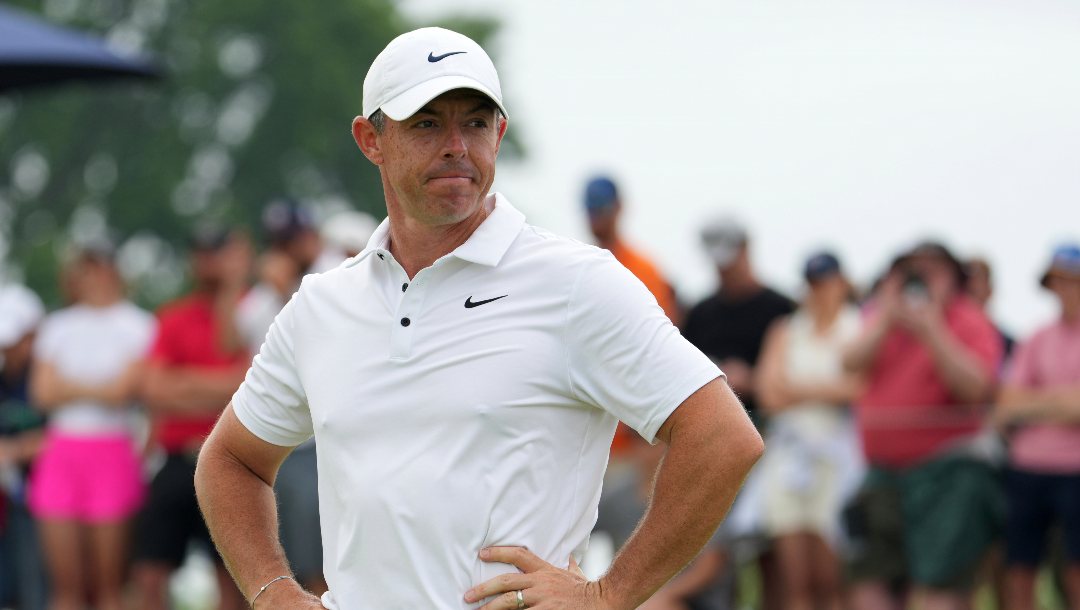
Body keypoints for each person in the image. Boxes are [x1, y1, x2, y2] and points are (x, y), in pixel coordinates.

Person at [194, 26, 763, 609]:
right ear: (371, 140)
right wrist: (272, 591)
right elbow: (230, 460)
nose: (456, 146)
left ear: (500, 132)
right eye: (426, 123)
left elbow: (722, 437)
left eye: (475, 122)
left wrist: (608, 595)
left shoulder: (576, 283)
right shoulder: (321, 306)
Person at [843, 241, 1003, 610]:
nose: (919, 278)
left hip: (950, 473)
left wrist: (932, 329)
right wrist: (887, 315)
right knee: (870, 579)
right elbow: (850, 362)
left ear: (954, 279)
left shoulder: (968, 319)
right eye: (910, 269)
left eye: (933, 270)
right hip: (882, 475)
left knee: (940, 585)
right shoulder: (878, 317)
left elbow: (976, 388)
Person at [26, 244, 154, 610]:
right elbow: (42, 392)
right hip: (62, 450)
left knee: (109, 587)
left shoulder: (138, 324)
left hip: (112, 450)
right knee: (66, 588)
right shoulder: (57, 325)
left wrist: (70, 386)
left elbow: (123, 393)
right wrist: (101, 387)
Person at [131, 228, 251, 610]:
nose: (209, 261)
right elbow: (152, 389)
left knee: (231, 581)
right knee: (149, 575)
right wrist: (225, 387)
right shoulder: (174, 316)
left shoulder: (257, 308)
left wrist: (183, 383)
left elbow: (251, 384)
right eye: (202, 252)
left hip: (234, 459)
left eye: (218, 251)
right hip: (178, 459)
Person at [682, 216, 795, 610]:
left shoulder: (780, 307)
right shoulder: (700, 313)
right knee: (719, 553)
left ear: (747, 249)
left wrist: (755, 378)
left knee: (774, 553)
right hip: (713, 447)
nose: (724, 267)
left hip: (773, 443)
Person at [755, 252, 864, 610]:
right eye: (814, 284)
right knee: (796, 581)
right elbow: (768, 393)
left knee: (832, 580)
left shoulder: (858, 326)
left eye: (826, 282)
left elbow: (860, 388)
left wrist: (797, 389)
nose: (820, 292)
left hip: (839, 462)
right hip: (789, 459)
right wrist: (827, 389)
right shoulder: (786, 329)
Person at [994, 244, 1080, 610]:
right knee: (1020, 567)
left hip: (1076, 471)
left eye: (1072, 281)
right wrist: (1064, 401)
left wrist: (1037, 402)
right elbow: (1007, 406)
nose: (1065, 290)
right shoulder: (1036, 338)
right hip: (1028, 469)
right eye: (1058, 282)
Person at [0, 283, 48, 610]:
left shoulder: (48, 376)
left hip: (43, 503)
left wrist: (15, 450)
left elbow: (61, 434)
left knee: (36, 591)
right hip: (9, 501)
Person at [582, 176, 681, 325]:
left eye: (602, 209)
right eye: (591, 210)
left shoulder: (645, 270)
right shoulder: (582, 265)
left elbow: (663, 327)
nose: (596, 218)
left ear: (618, 207)